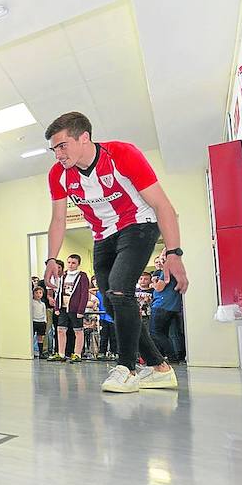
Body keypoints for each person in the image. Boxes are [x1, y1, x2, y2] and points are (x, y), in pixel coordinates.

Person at [43, 112, 187, 393]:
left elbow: (162, 204)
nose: (57, 154)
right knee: (112, 305)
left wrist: (174, 253)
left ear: (84, 137)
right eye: (54, 149)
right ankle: (160, 368)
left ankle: (127, 368)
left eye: (62, 146)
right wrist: (51, 258)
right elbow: (58, 220)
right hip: (101, 236)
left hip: (139, 224)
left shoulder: (121, 154)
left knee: (121, 291)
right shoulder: (58, 175)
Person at [54, 253, 90, 363]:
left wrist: (81, 310)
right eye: (69, 262)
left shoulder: (82, 276)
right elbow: (59, 292)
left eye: (73, 263)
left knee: (78, 331)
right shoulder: (63, 276)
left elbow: (84, 294)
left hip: (75, 308)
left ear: (78, 264)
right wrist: (57, 307)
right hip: (63, 308)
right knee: (60, 330)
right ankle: (61, 353)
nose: (70, 265)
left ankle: (77, 354)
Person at [151, 253, 187, 362]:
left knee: (155, 332)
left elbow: (159, 287)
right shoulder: (178, 269)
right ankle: (172, 357)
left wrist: (154, 283)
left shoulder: (167, 268)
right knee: (164, 333)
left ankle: (171, 357)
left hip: (162, 305)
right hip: (173, 306)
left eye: (162, 255)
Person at [93, 275, 117, 360]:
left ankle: (114, 352)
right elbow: (89, 291)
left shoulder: (113, 292)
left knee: (114, 337)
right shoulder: (98, 292)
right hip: (103, 318)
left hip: (112, 318)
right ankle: (102, 352)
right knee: (103, 336)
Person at [31, 287, 47, 359]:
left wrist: (45, 321)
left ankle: (41, 353)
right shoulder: (31, 302)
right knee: (32, 337)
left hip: (41, 322)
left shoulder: (43, 304)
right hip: (34, 321)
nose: (38, 295)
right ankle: (31, 352)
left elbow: (44, 313)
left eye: (40, 293)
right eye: (36, 293)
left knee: (40, 337)